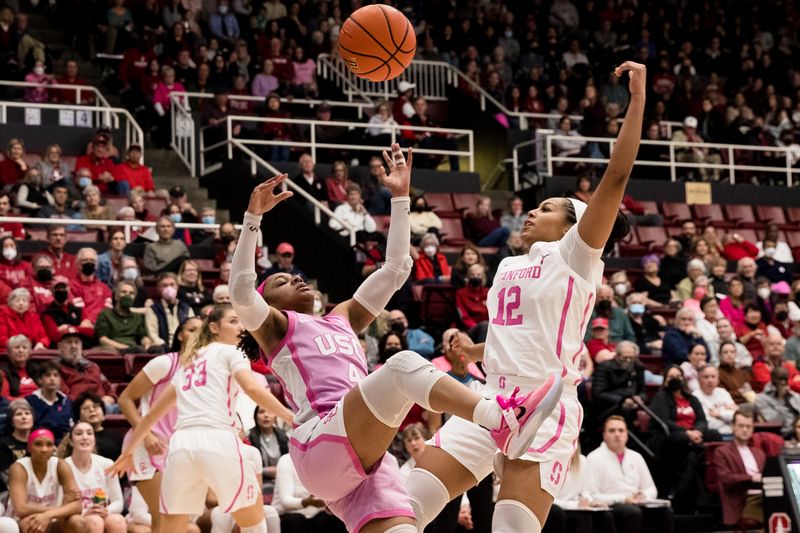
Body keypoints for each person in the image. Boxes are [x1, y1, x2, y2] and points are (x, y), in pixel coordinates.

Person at [231, 151, 562, 533]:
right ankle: (499, 418)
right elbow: (240, 291)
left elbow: (396, 268)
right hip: (322, 442)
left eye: (292, 276)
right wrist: (253, 218)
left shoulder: (343, 318)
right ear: (269, 303)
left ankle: (501, 421)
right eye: (280, 282)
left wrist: (400, 199)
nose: (295, 279)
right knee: (403, 365)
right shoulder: (277, 329)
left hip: (364, 463)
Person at [406, 62, 646, 533]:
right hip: (490, 398)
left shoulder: (575, 255)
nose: (535, 210)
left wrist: (636, 100)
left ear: (575, 224)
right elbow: (508, 335)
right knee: (401, 508)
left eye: (550, 207)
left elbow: (616, 178)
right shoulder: (509, 264)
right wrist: (469, 351)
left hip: (544, 404)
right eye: (536, 205)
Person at [108, 304, 293, 533]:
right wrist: (291, 417)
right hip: (218, 440)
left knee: (171, 528)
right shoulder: (232, 352)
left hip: (180, 447)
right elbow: (253, 389)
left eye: (242, 322)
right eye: (233, 321)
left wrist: (127, 453)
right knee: (255, 523)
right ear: (214, 328)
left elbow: (152, 414)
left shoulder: (187, 362)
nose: (241, 327)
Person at [117, 316, 202, 533]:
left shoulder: (204, 370)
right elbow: (125, 399)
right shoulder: (165, 363)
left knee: (174, 519)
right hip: (147, 444)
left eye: (201, 331)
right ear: (180, 335)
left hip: (177, 447)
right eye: (191, 329)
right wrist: (146, 435)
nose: (196, 334)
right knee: (164, 514)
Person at [585, 416, 673, 533]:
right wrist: (624, 499)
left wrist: (644, 494)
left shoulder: (636, 456)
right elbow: (591, 495)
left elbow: (651, 488)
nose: (617, 434)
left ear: (627, 434)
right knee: (632, 512)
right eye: (612, 430)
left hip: (636, 503)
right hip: (611, 505)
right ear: (604, 435)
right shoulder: (594, 458)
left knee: (666, 511)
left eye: (621, 430)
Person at [649, 365, 719, 511]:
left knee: (712, 435)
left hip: (691, 438)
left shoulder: (691, 399)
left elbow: (702, 420)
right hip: (669, 438)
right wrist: (687, 433)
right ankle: (698, 501)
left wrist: (697, 432)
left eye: (678, 376)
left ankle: (682, 494)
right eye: (671, 377)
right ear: (665, 380)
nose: (675, 380)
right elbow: (663, 421)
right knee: (685, 444)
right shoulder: (661, 397)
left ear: (683, 379)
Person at [0, 428, 83, 532]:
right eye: (38, 444)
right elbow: (21, 509)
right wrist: (61, 507)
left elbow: (77, 506)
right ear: (29, 447)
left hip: (53, 518)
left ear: (54, 447)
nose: (44, 449)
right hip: (23, 520)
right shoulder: (19, 467)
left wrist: (48, 515)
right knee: (31, 524)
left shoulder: (61, 465)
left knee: (77, 521)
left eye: (49, 445)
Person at [61, 422, 127, 533]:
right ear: (71, 441)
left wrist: (106, 510)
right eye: (79, 433)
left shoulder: (107, 464)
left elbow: (118, 502)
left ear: (94, 439)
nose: (85, 437)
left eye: (89, 433)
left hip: (103, 512)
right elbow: (58, 505)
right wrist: (86, 512)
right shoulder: (63, 466)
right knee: (95, 521)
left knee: (118, 521)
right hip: (77, 516)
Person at [714, 411, 765, 529]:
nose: (745, 430)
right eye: (741, 426)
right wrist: (751, 477)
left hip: (763, 496)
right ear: (733, 427)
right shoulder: (722, 452)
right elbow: (726, 479)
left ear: (752, 429)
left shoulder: (759, 453)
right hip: (742, 498)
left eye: (748, 426)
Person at [272, 453, 347, 533]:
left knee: (337, 518)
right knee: (297, 520)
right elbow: (285, 502)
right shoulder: (286, 461)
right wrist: (307, 502)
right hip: (287, 515)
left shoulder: (323, 461)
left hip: (314, 515)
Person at [56, 331, 116, 407]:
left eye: (77, 342)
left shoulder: (93, 366)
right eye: (69, 342)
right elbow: (65, 397)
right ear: (60, 347)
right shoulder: (55, 369)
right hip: (79, 409)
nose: (74, 346)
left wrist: (110, 397)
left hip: (104, 405)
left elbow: (109, 389)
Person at [592, 341, 646, 422]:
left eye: (632, 358)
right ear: (617, 355)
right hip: (608, 407)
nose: (628, 360)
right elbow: (598, 393)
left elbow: (643, 391)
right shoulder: (604, 367)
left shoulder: (638, 367)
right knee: (626, 410)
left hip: (633, 404)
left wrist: (639, 398)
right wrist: (622, 400)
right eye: (625, 357)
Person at [25, 360, 73, 443]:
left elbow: (71, 428)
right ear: (40, 380)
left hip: (64, 446)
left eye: (56, 375)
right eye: (48, 375)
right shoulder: (30, 401)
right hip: (39, 444)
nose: (52, 379)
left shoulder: (67, 402)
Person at [145, 272, 195, 348]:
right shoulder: (153, 310)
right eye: (165, 285)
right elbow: (153, 335)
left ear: (177, 287)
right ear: (159, 288)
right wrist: (167, 347)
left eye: (172, 285)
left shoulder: (186, 308)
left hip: (184, 347)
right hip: (163, 348)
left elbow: (193, 330)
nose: (169, 288)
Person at [248, 405, 288, 500]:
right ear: (255, 416)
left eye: (270, 412)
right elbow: (247, 467)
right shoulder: (248, 437)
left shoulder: (284, 436)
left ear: (275, 416)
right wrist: (265, 471)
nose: (266, 415)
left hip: (283, 478)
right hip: (260, 481)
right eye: (261, 412)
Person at [73, 392, 123, 461]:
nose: (91, 410)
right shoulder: (75, 438)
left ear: (103, 415)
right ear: (78, 418)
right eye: (86, 408)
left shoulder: (116, 436)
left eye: (95, 406)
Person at [71, 248, 113, 325]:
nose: (89, 263)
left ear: (96, 265)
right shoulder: (72, 286)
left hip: (103, 324)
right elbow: (79, 311)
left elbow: (108, 310)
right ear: (77, 264)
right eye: (85, 260)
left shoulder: (105, 288)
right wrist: (91, 322)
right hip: (85, 324)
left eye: (92, 260)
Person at [754, 367, 800, 437]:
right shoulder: (761, 399)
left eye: (785, 379)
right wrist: (780, 398)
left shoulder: (795, 396)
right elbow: (777, 421)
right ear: (772, 379)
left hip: (796, 433)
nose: (783, 382)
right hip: (779, 434)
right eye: (780, 379)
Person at [693, 366, 737, 436]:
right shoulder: (695, 396)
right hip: (713, 435)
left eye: (713, 377)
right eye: (706, 377)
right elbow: (708, 423)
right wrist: (728, 416)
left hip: (733, 433)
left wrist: (719, 414)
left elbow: (736, 415)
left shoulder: (723, 392)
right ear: (699, 380)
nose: (710, 380)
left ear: (718, 380)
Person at [0, 400, 34, 487]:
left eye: (27, 413)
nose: (24, 417)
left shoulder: (41, 441)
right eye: (18, 414)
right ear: (11, 421)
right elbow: (7, 478)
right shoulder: (3, 444)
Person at [455, 264, 489, 330]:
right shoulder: (461, 293)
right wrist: (475, 327)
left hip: (488, 327)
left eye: (478, 275)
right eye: (472, 275)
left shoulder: (488, 292)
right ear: (468, 277)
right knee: (483, 326)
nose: (475, 277)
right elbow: (463, 315)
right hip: (470, 328)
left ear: (483, 277)